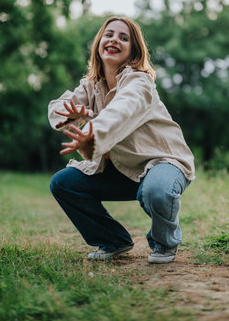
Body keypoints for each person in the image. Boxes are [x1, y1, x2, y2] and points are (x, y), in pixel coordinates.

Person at [48, 16, 195, 264]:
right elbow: (57, 108)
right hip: (125, 170)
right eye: (109, 34)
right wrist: (70, 113)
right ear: (99, 44)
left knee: (157, 190)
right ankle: (114, 241)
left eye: (123, 37)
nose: (114, 39)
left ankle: (165, 243)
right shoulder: (91, 86)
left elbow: (122, 111)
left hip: (164, 164)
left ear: (132, 51)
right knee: (63, 183)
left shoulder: (140, 83)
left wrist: (92, 132)